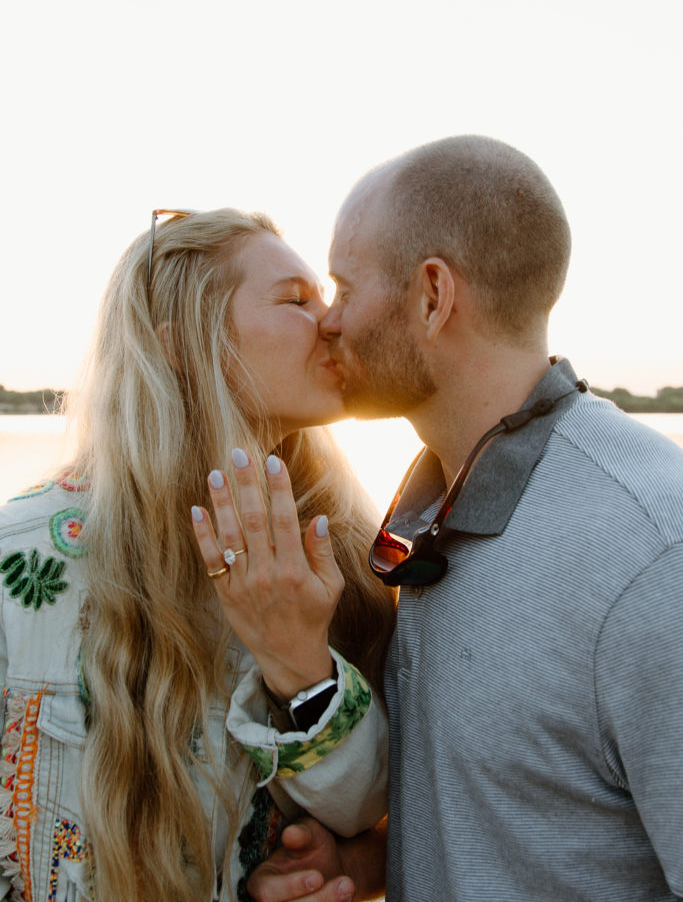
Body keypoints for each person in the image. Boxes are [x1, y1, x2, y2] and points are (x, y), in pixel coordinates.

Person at [248, 136, 683, 902]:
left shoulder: (648, 552)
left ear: (432, 296)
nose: (329, 322)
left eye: (345, 288)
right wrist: (373, 862)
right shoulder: (427, 512)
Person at [0, 208, 395, 902]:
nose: (333, 322)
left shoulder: (336, 553)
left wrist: (297, 659)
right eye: (296, 301)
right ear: (182, 344)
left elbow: (364, 811)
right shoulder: (20, 557)